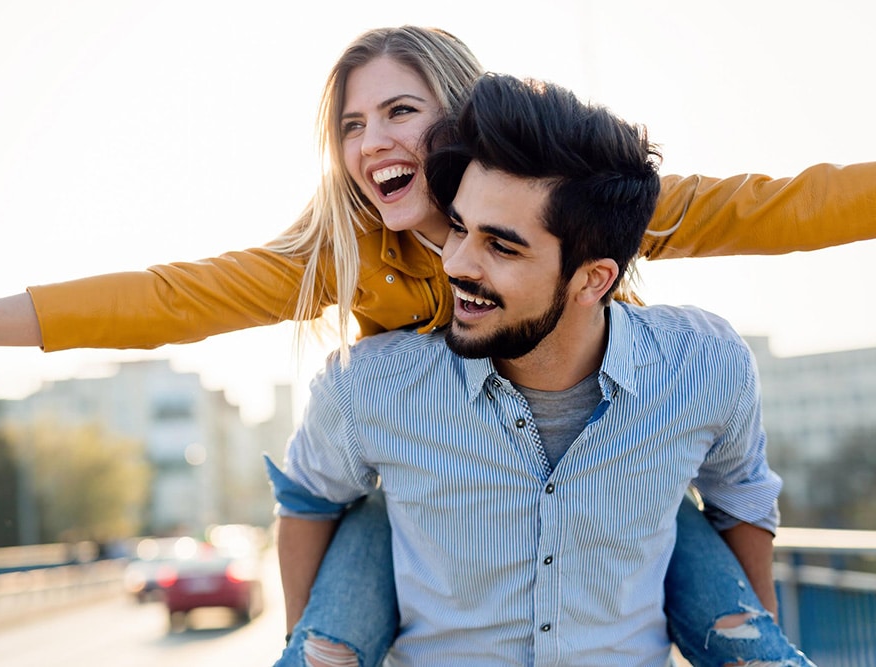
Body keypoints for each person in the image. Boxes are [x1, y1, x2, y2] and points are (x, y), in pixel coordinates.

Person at [0, 24, 866, 665]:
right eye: (350, 124)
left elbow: (779, 207)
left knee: (707, 573)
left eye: (399, 111)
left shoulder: (564, 192)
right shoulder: (345, 257)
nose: (370, 143)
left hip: (597, 470)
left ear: (461, 117)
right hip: (425, 496)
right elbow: (160, 301)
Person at [268, 73, 812, 665]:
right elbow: (307, 499)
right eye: (458, 227)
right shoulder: (368, 388)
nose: (456, 263)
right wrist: (305, 638)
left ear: (593, 279)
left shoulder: (704, 367)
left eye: (501, 247)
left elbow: (741, 498)